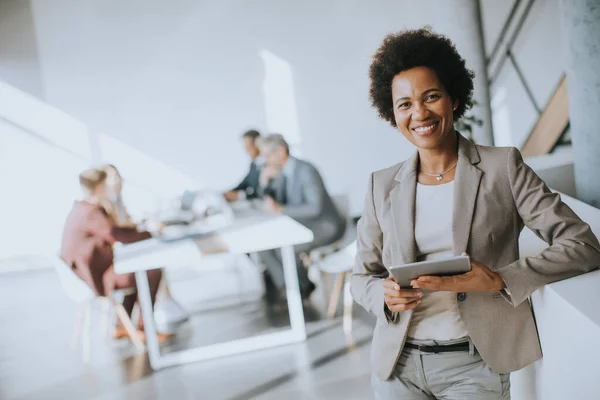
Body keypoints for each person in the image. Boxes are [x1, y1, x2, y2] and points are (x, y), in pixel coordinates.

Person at [352, 27, 600, 399]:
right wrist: (383, 295)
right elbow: (362, 277)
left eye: (431, 96)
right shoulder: (381, 185)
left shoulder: (503, 167)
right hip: (397, 366)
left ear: (452, 98)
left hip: (474, 365)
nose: (419, 113)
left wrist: (501, 278)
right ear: (393, 113)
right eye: (404, 104)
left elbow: (582, 244)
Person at [60, 168, 168, 341]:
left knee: (138, 270)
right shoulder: (91, 212)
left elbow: (115, 232)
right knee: (151, 272)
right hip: (93, 277)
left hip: (87, 273)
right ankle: (144, 327)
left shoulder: (83, 208)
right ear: (100, 186)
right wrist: (148, 233)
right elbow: (115, 234)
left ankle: (123, 325)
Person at [258, 134, 346, 304]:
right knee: (265, 247)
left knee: (283, 248)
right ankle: (297, 288)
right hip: (303, 226)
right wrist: (264, 183)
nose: (265, 160)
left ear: (281, 151)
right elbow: (271, 202)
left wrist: (280, 209)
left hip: (324, 227)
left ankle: (296, 291)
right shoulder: (281, 172)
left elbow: (314, 208)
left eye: (268, 155)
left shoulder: (305, 170)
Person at [224, 129, 262, 201]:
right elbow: (246, 182)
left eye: (248, 147)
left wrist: (241, 195)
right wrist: (231, 192)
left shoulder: (268, 164)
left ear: (258, 144)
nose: (246, 150)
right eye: (245, 147)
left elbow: (262, 191)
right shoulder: (254, 163)